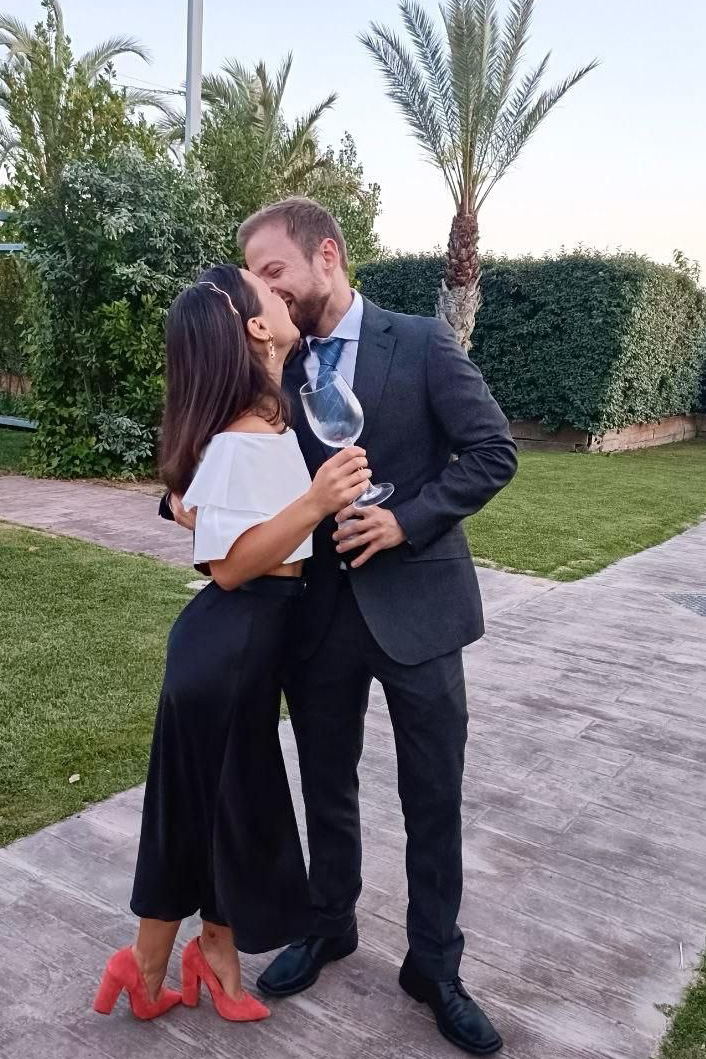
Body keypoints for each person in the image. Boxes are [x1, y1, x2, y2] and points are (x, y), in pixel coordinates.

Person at [167, 198, 517, 1055]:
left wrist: (409, 520)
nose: (264, 287)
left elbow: (492, 452)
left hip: (420, 611)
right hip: (315, 616)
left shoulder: (423, 342)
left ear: (327, 255)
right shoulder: (271, 358)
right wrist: (182, 501)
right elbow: (210, 452)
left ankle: (435, 962)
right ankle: (330, 923)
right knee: (325, 781)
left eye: (273, 267)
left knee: (431, 794)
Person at [94, 267, 371, 1025]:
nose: (282, 294)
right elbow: (232, 563)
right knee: (192, 816)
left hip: (240, 649)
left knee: (226, 810)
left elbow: (211, 522)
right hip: (228, 646)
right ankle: (145, 964)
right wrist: (319, 500)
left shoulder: (262, 423)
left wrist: (211, 512)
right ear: (254, 328)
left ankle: (213, 954)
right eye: (267, 289)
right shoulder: (248, 436)